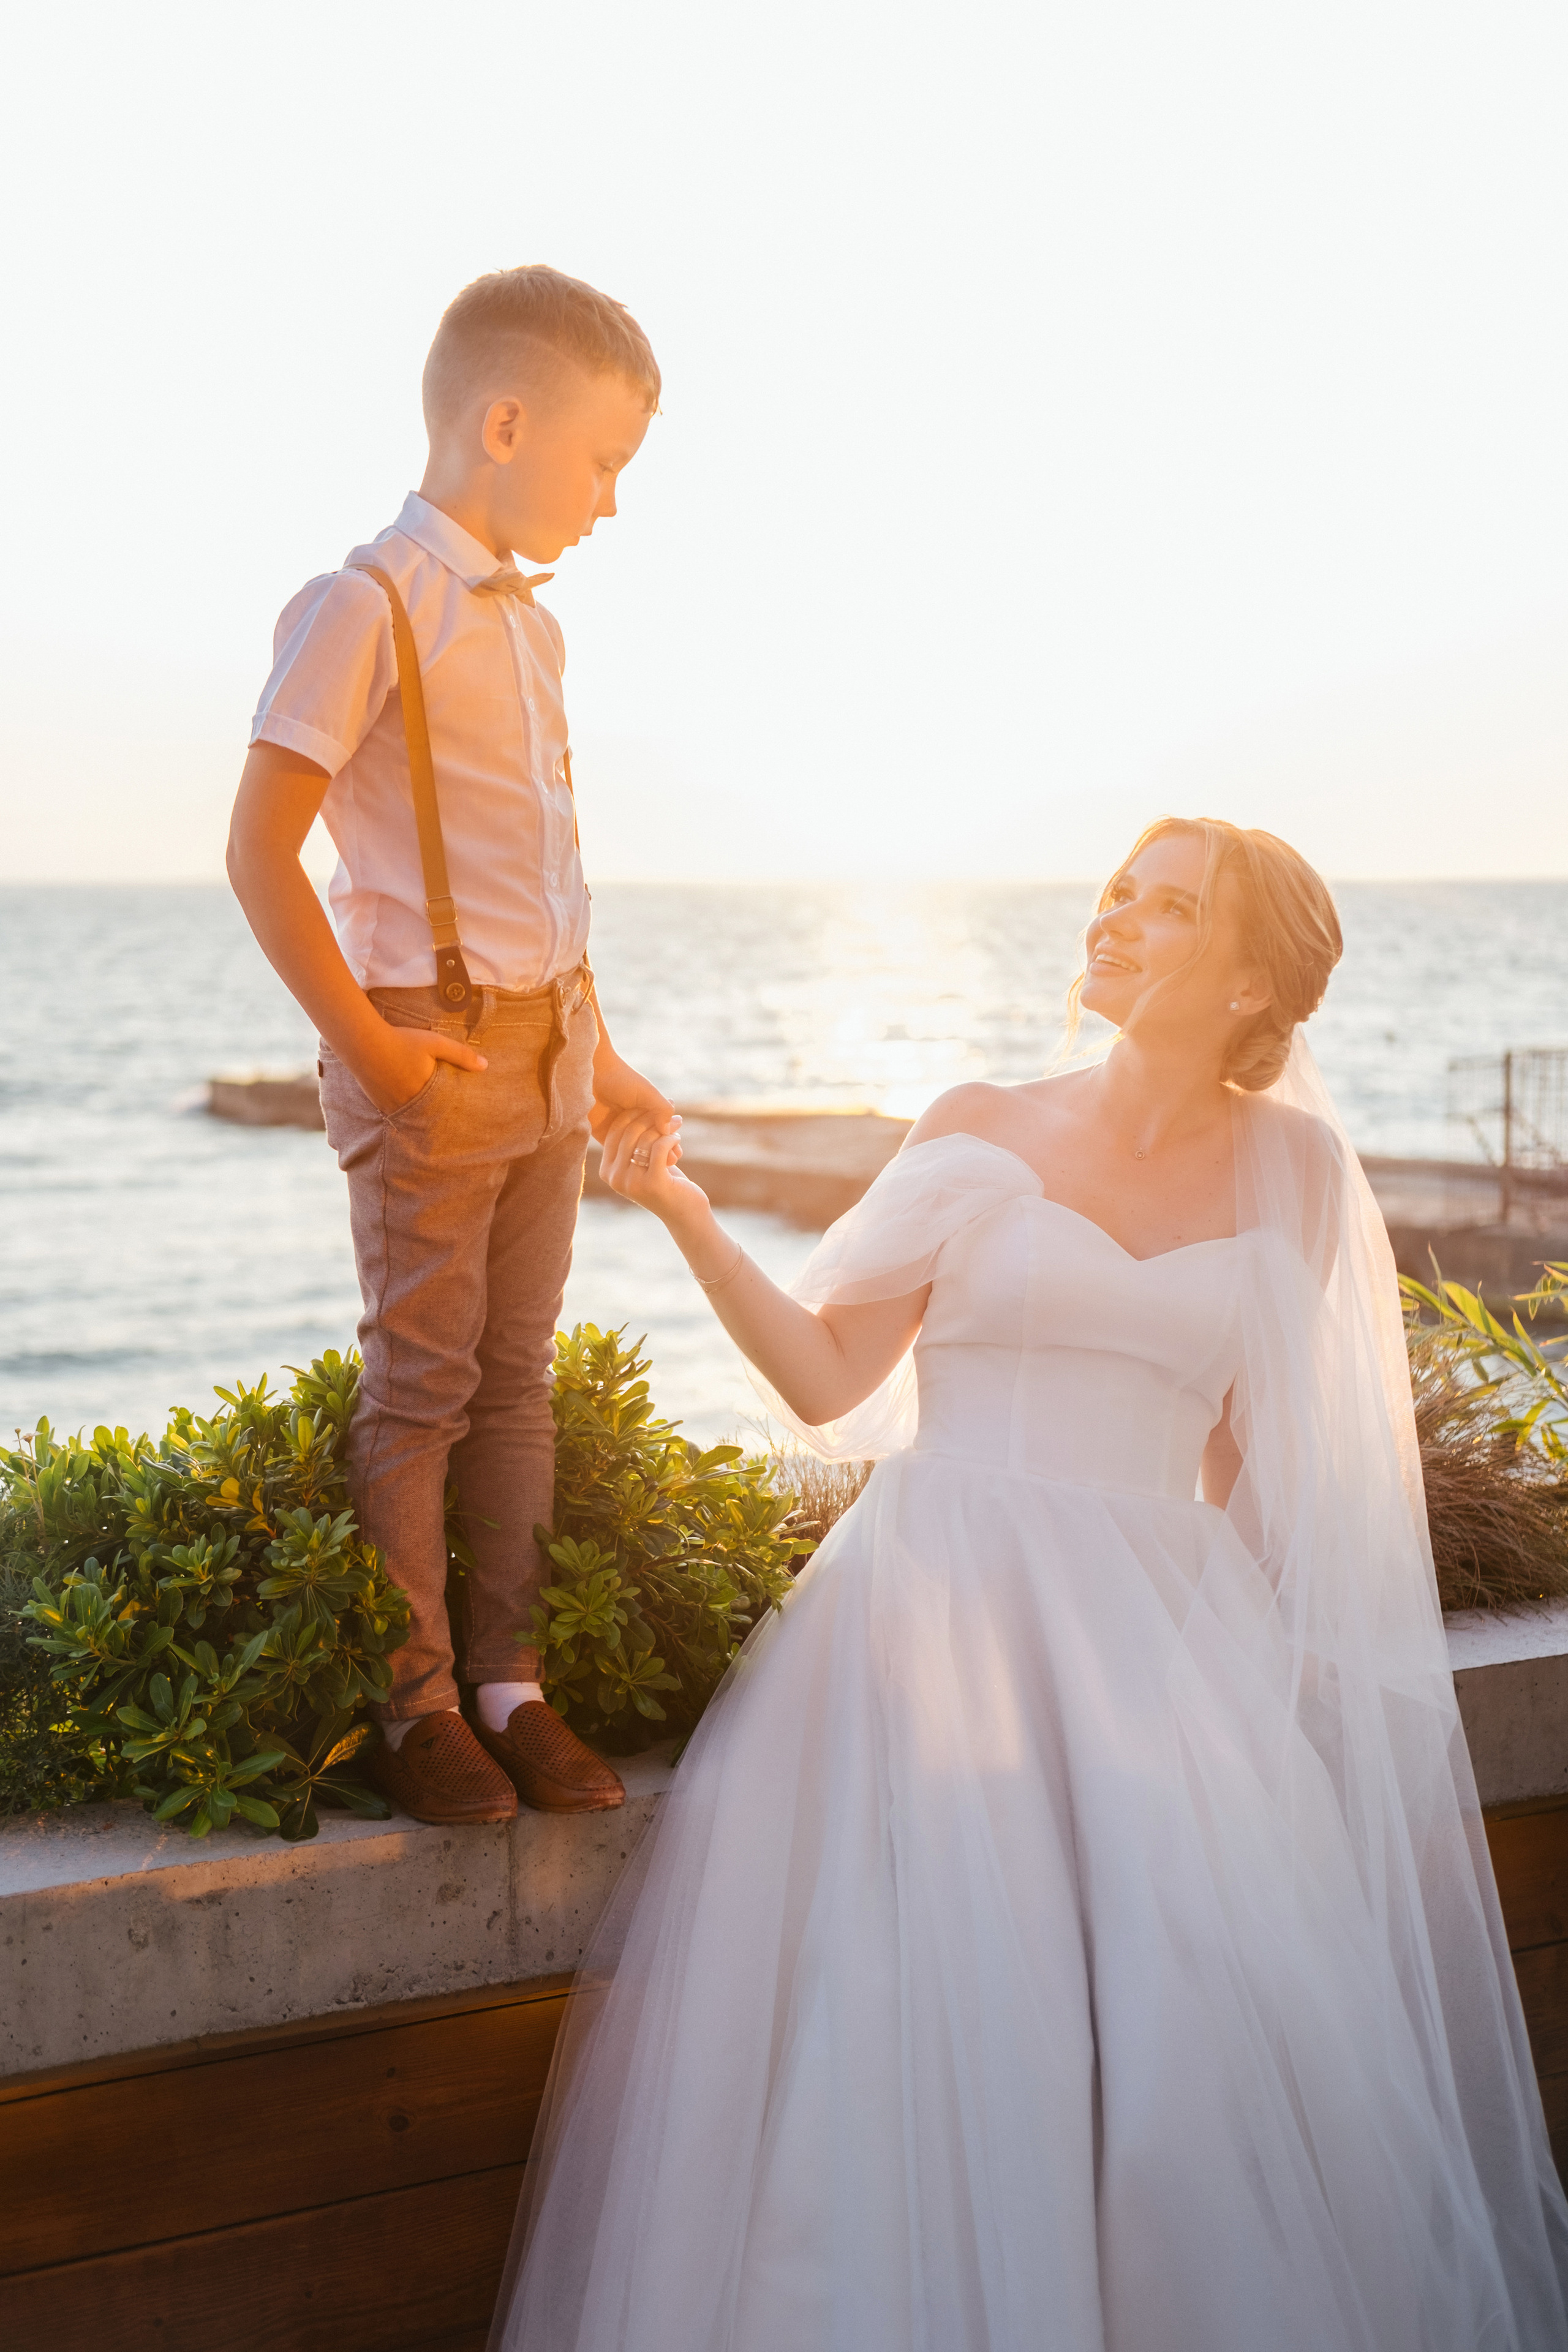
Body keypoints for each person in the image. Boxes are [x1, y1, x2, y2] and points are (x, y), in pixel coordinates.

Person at [492, 818, 1568, 2351]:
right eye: (1118, 890)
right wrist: (681, 1209)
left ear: (1256, 985)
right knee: (898, 2048)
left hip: (1157, 1667)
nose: (1116, 919)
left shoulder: (1302, 1173)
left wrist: (1255, 1726)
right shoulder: (977, 1120)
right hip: (928, 1628)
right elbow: (823, 1377)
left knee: (1177, 2080)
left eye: (1169, 907)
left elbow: (1260, 1475)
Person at [227, 266, 676, 1827]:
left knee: (515, 1386)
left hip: (548, 1051)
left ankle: (510, 1689)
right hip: (428, 1050)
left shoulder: (536, 636)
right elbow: (261, 854)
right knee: (419, 1389)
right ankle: (418, 1708)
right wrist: (370, 1043)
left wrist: (600, 1057)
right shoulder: (362, 607)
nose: (612, 501)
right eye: (602, 460)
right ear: (503, 422)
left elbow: (543, 888)